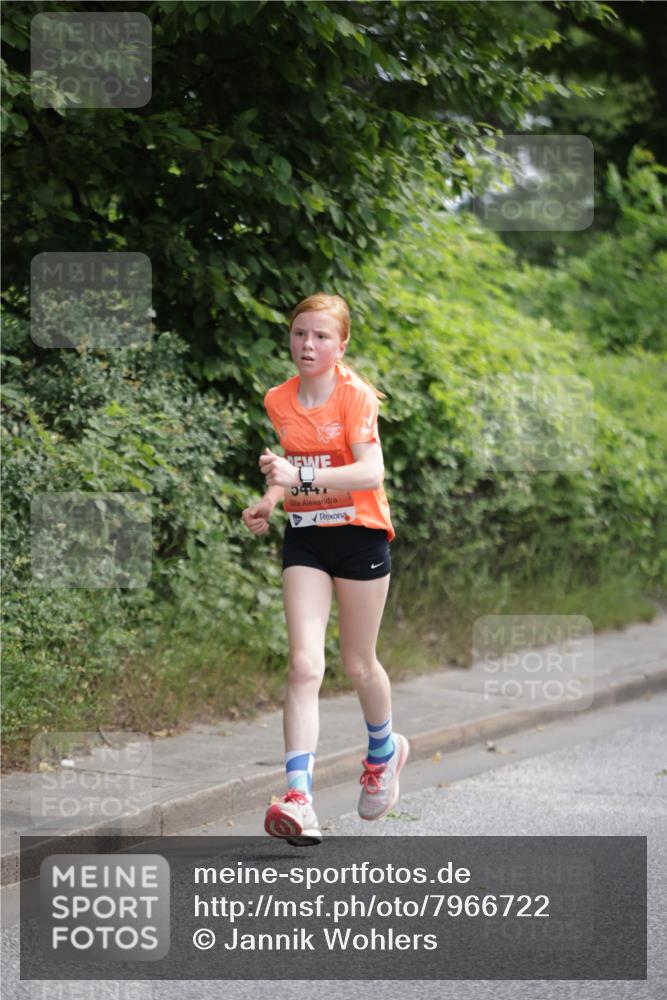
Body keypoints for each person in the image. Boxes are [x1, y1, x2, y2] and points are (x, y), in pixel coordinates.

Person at [241, 292, 408, 845]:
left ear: (341, 345)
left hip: (359, 537)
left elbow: (368, 473)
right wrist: (270, 498)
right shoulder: (278, 399)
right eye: (299, 334)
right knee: (303, 665)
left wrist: (298, 479)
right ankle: (299, 797)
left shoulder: (355, 396)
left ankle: (383, 754)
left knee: (359, 664)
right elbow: (290, 469)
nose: (307, 345)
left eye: (320, 336)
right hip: (307, 539)